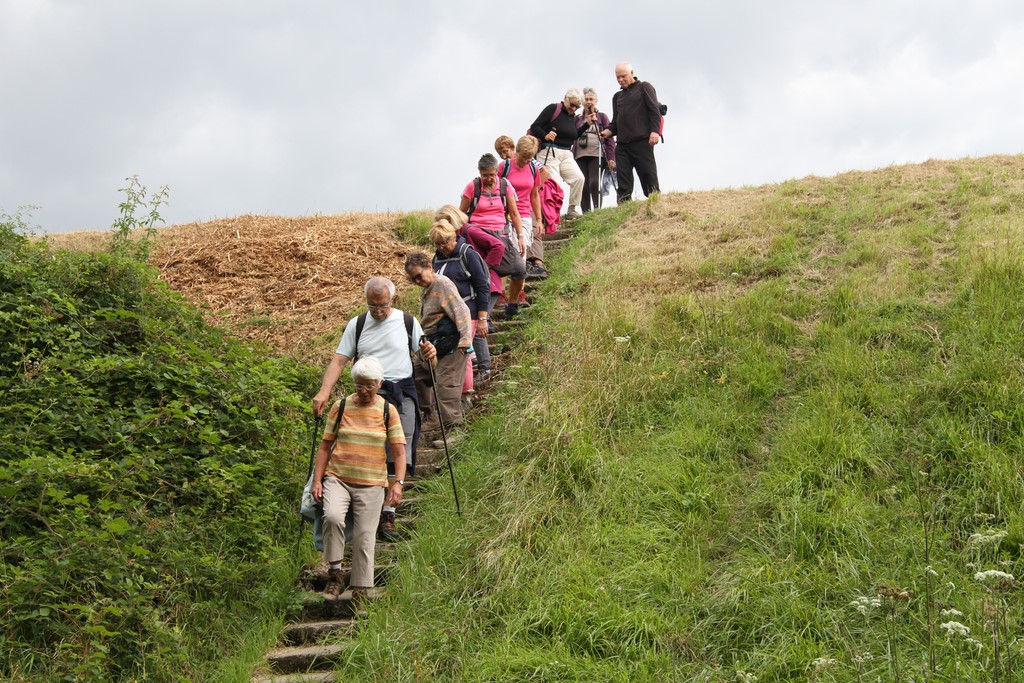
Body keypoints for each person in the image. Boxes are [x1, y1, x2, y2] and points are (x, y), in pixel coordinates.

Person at [311, 276, 434, 541]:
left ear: (393, 299)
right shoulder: (357, 324)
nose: (378, 311)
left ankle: (388, 514)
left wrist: (431, 354)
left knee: (398, 449)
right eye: (372, 305)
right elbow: (339, 360)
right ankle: (363, 511)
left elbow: (427, 357)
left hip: (402, 392)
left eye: (382, 305)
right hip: (367, 393)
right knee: (366, 449)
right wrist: (324, 391)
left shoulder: (407, 322)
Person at [311, 355, 406, 600]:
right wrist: (318, 480)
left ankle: (361, 590)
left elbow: (398, 451)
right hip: (338, 477)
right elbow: (325, 446)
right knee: (332, 517)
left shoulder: (387, 410)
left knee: (365, 535)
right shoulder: (341, 406)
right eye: (359, 385)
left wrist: (398, 483)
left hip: (372, 482)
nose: (364, 390)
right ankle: (335, 575)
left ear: (380, 383)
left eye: (369, 385)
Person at [404, 252, 473, 430]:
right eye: (413, 279)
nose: (417, 281)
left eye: (419, 276)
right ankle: (431, 415)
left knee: (446, 385)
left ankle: (454, 430)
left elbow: (461, 310)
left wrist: (465, 340)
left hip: (451, 344)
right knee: (416, 375)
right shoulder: (428, 289)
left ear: (429, 267)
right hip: (433, 344)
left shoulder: (442, 283)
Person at [458, 154, 528, 319]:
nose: (489, 179)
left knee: (520, 269)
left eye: (492, 174)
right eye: (485, 175)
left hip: (501, 236)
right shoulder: (472, 187)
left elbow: (514, 213)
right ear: (479, 172)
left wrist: (520, 236)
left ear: (497, 171)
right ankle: (483, 316)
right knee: (483, 275)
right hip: (478, 238)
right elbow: (460, 216)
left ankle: (512, 305)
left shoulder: (505, 186)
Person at [429, 219, 491, 386]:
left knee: (463, 351)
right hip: (447, 315)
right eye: (438, 244)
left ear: (454, 237)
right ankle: (458, 389)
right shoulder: (437, 258)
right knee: (454, 351)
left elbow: (482, 286)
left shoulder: (467, 254)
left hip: (468, 311)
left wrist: (482, 318)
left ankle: (466, 392)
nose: (442, 247)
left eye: (445, 242)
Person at [601, 62, 661, 203]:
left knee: (648, 174)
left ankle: (655, 202)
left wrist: (655, 131)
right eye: (618, 77)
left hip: (642, 141)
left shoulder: (644, 87)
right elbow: (616, 121)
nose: (621, 80)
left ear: (632, 73)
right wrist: (607, 132)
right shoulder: (617, 97)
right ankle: (623, 205)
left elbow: (654, 111)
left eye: (623, 76)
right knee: (623, 178)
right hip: (622, 145)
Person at [529, 89, 590, 220]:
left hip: (566, 153)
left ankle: (572, 209)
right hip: (549, 151)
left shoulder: (572, 116)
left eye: (577, 107)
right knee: (554, 185)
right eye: (572, 105)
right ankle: (552, 216)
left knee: (578, 178)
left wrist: (587, 125)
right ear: (565, 98)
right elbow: (535, 126)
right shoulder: (553, 108)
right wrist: (545, 135)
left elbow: (573, 135)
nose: (573, 109)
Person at [499, 135, 550, 279]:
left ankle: (518, 288)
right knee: (511, 252)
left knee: (521, 253)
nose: (526, 161)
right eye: (523, 158)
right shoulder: (504, 166)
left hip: (525, 214)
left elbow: (534, 195)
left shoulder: (533, 167)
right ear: (517, 151)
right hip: (506, 214)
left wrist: (538, 220)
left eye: (529, 158)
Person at [573, 87, 616, 213]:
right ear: (582, 101)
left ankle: (597, 211)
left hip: (597, 154)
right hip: (579, 155)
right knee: (583, 184)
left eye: (591, 99)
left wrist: (611, 157)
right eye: (586, 99)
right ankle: (586, 213)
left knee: (594, 182)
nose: (589, 102)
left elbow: (610, 138)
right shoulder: (577, 119)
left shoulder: (602, 117)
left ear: (596, 101)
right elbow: (571, 136)